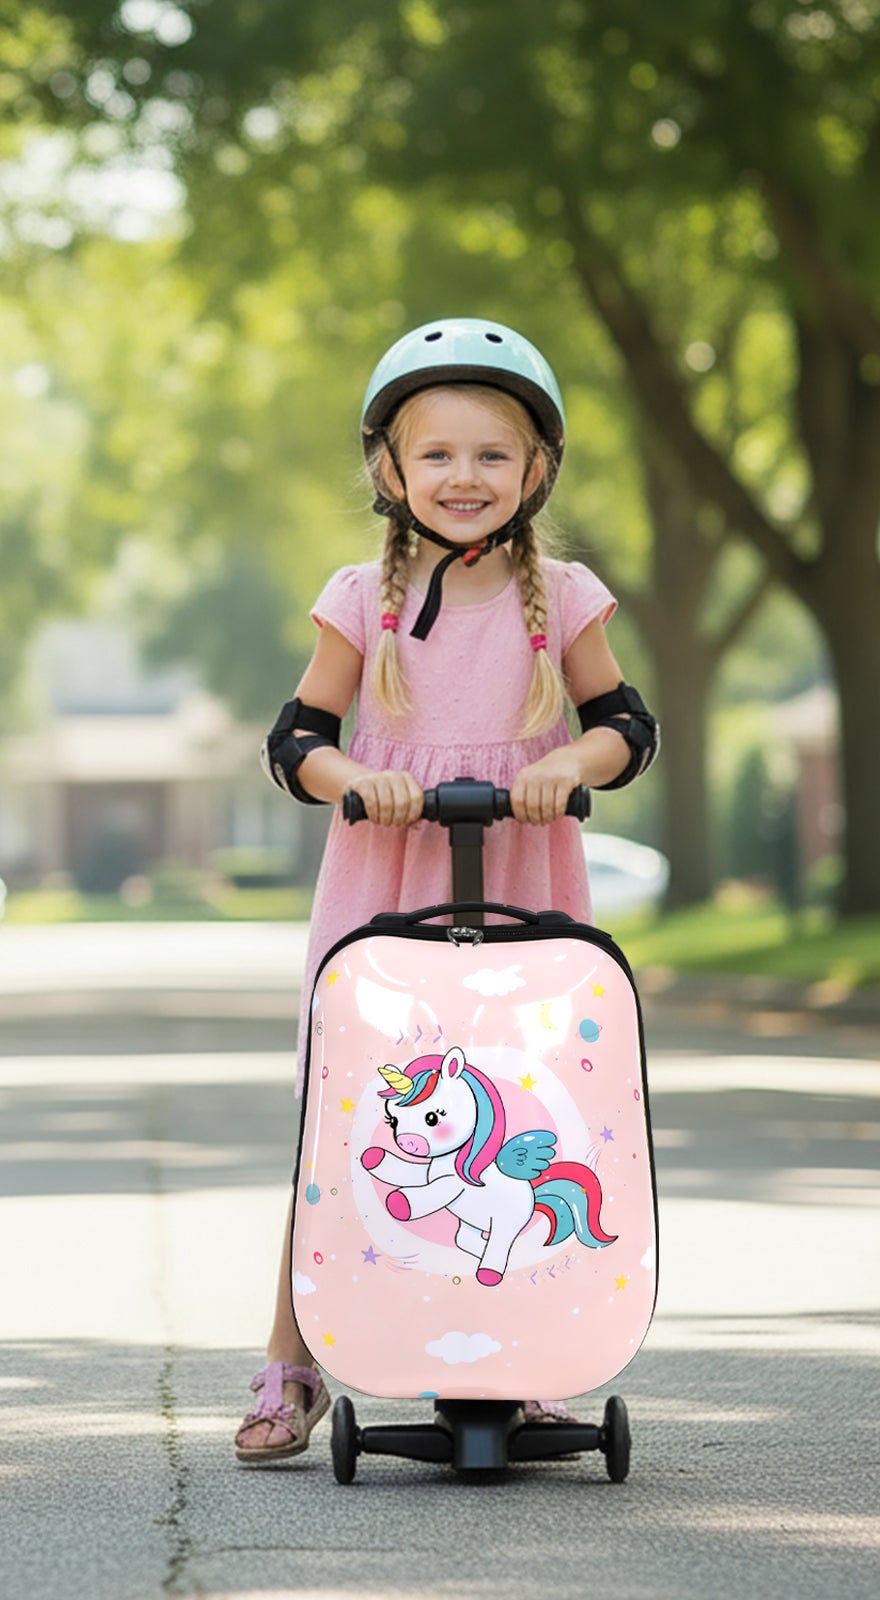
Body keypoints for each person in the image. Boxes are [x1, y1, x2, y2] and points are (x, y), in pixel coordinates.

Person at [237, 318, 658, 1462]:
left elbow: (625, 723)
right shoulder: (356, 599)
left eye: (490, 455)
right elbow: (296, 737)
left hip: (525, 880)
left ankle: (525, 1355)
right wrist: (355, 778)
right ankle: (294, 1358)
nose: (462, 477)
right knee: (348, 1117)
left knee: (513, 1116)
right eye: (436, 455)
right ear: (389, 469)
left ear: (535, 472)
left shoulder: (561, 594)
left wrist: (567, 763)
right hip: (387, 880)